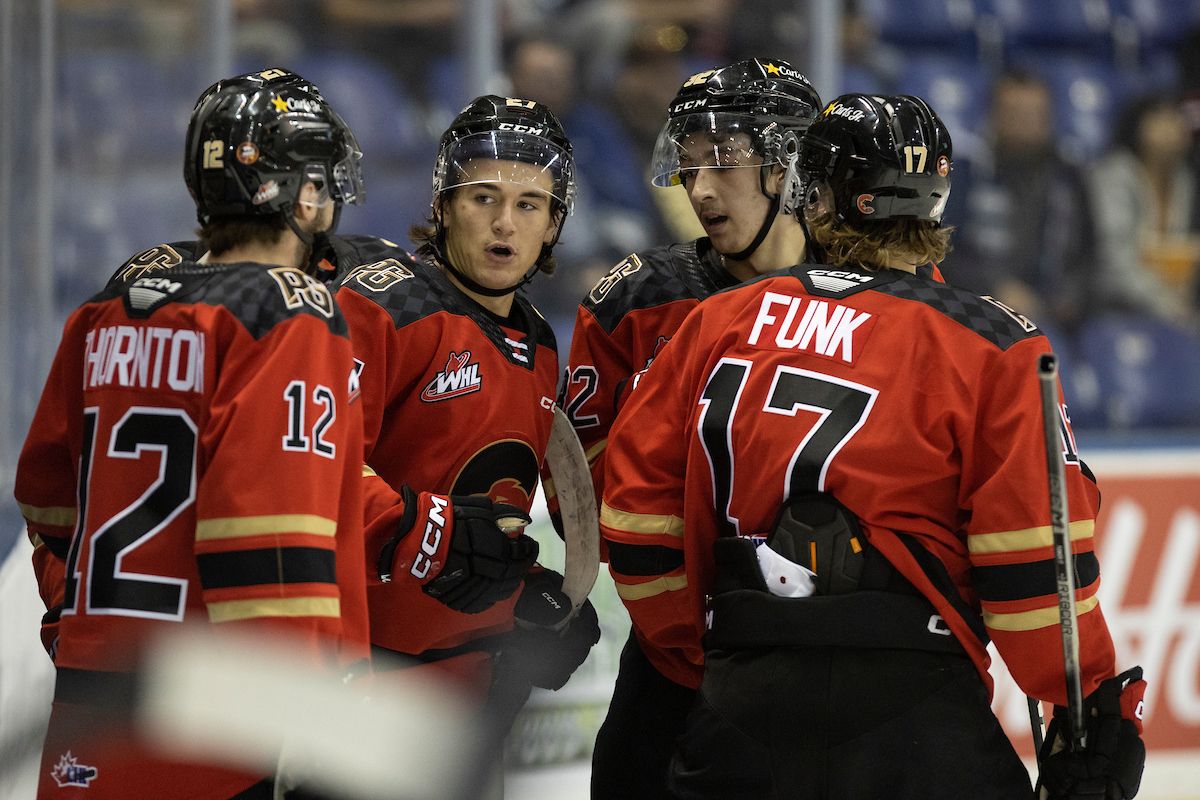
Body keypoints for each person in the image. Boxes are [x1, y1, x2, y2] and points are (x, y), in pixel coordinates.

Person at [599, 93, 1147, 799]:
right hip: (914, 717)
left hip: (739, 702)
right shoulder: (995, 342)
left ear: (815, 194)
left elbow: (638, 522)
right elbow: (1037, 572)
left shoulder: (715, 322)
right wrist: (1087, 702)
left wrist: (696, 661)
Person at [14, 69, 371, 799]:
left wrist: (89, 619)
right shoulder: (286, 314)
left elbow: (48, 500)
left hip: (90, 700)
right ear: (300, 193)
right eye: (323, 182)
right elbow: (266, 538)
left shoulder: (109, 308)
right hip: (213, 723)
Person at [557, 58, 824, 799]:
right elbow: (577, 481)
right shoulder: (636, 301)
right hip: (676, 652)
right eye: (690, 162)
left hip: (827, 655)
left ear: (790, 165)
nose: (699, 187)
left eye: (724, 161)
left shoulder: (871, 295)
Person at [333, 95, 600, 745]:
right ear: (444, 207)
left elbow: (485, 511)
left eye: (529, 205)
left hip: (472, 688)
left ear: (555, 224)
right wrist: (431, 531)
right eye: (483, 198)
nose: (504, 224)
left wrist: (526, 592)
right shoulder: (381, 307)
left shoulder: (538, 340)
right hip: (359, 684)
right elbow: (320, 472)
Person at [947, 68, 1097, 333]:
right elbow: (941, 250)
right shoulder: (966, 174)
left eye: (1036, 114)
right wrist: (993, 287)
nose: (1027, 123)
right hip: (975, 309)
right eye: (1016, 114)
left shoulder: (1068, 178)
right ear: (993, 115)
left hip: (1055, 316)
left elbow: (1088, 251)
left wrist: (1069, 297)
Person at [1089, 93, 1199, 324]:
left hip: (1174, 304)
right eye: (1161, 118)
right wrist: (1166, 303)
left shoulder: (1185, 180)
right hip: (1113, 304)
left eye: (1176, 118)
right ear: (1138, 125)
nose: (1173, 126)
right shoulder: (1114, 176)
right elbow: (1113, 261)